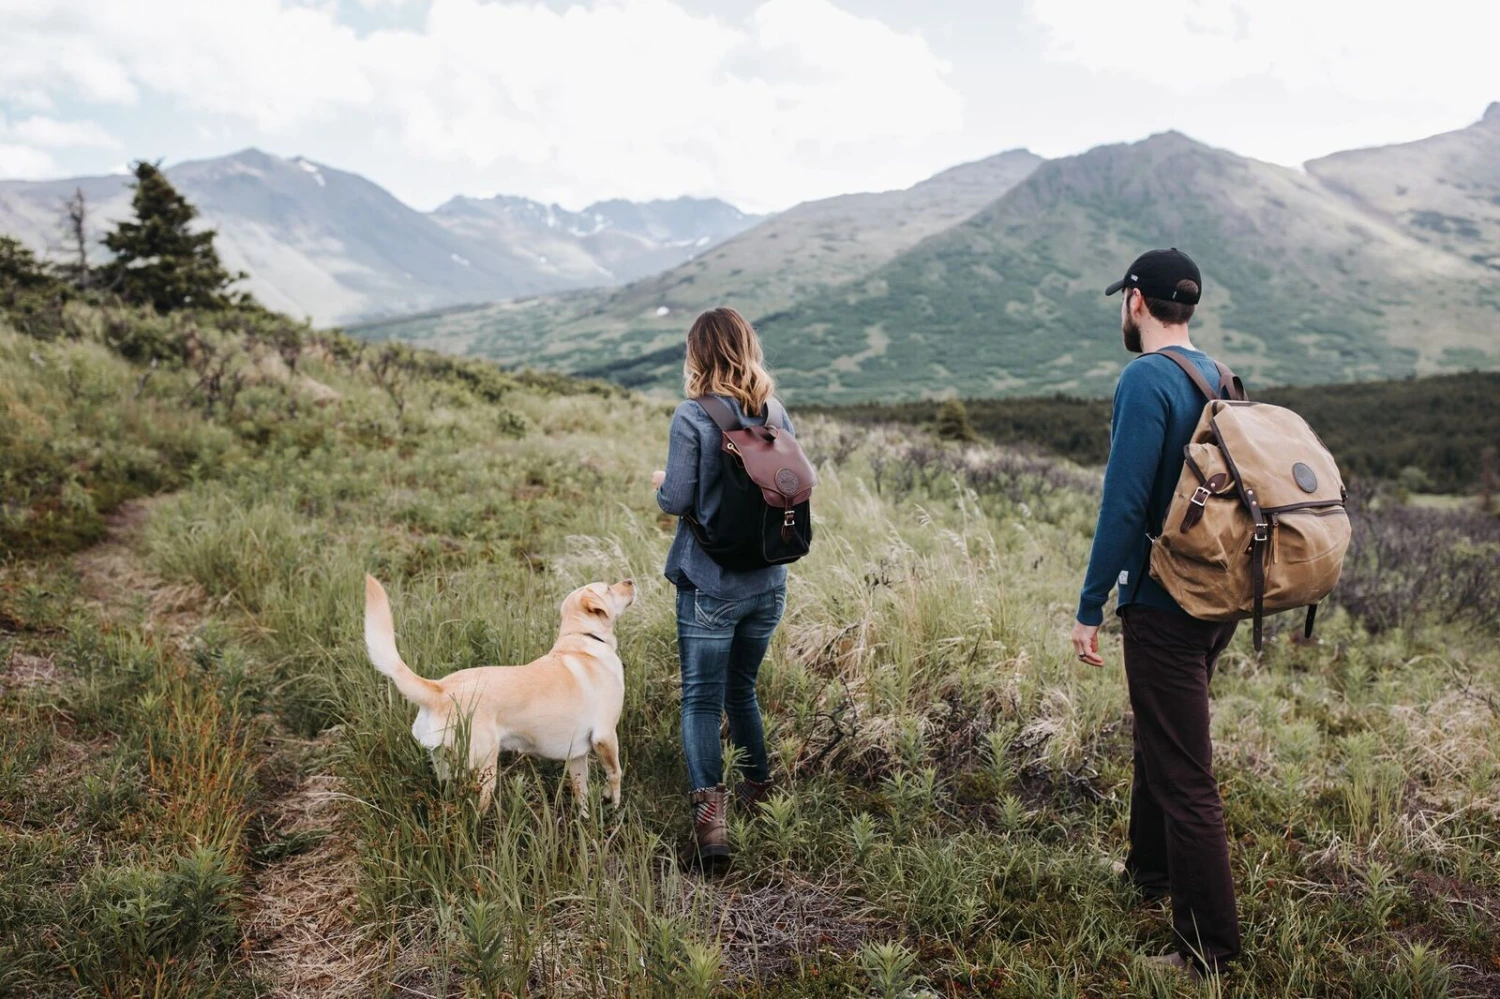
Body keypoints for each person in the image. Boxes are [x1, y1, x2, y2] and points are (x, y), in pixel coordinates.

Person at [1070, 248, 1241, 977]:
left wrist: (1089, 605)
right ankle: (1148, 872)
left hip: (1165, 599)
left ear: (1135, 302)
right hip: (1216, 595)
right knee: (1162, 736)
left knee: (1185, 774)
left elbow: (1124, 506)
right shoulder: (1220, 375)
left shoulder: (1145, 378)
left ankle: (1208, 951)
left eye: (1124, 298)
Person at [652, 307, 791, 867]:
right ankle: (760, 792)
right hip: (769, 581)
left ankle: (713, 831)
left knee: (701, 701)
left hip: (710, 583)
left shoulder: (692, 416)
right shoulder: (775, 410)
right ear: (748, 347)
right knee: (743, 690)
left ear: (698, 355)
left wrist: (661, 484)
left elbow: (677, 501)